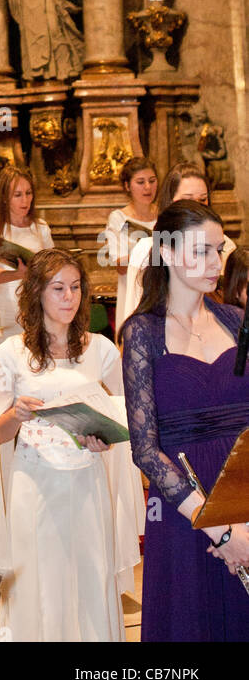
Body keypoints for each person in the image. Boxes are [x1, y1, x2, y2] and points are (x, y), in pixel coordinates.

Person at [0, 249, 142, 642]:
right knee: (40, 583)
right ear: (36, 294)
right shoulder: (11, 354)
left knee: (89, 576)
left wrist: (105, 440)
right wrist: (15, 414)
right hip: (34, 483)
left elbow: (123, 417)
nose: (69, 297)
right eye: (58, 288)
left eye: (76, 287)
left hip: (88, 483)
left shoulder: (100, 349)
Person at [120, 200, 249, 641]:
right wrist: (219, 528)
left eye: (219, 249)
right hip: (184, 513)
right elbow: (145, 449)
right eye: (202, 251)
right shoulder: (142, 332)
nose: (216, 263)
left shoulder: (236, 321)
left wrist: (243, 525)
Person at [122, 162, 236, 325]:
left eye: (202, 200)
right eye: (187, 200)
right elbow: (134, 312)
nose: (196, 206)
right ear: (170, 201)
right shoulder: (147, 249)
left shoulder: (226, 246)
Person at [0, 165, 53, 376]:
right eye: (17, 195)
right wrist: (18, 274)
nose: (25, 200)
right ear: (4, 197)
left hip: (34, 307)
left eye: (28, 193)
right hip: (4, 311)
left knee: (34, 368)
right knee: (3, 372)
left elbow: (53, 266)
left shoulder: (40, 227)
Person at [101, 156, 158, 332]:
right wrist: (151, 250)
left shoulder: (165, 215)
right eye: (140, 182)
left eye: (152, 181)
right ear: (127, 186)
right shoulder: (118, 218)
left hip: (161, 293)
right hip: (134, 294)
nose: (148, 187)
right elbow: (120, 265)